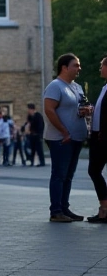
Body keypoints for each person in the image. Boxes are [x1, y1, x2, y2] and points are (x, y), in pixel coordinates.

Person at [45, 53, 92, 222]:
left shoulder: (77, 87)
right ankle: (56, 211)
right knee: (59, 174)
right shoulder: (55, 86)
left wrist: (86, 110)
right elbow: (49, 109)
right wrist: (64, 132)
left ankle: (65, 208)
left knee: (68, 175)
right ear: (64, 67)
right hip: (60, 138)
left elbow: (78, 106)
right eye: (76, 65)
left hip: (76, 138)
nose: (79, 68)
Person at [85, 59, 107, 223]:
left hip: (103, 136)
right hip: (97, 135)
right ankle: (104, 208)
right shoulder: (104, 87)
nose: (100, 69)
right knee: (94, 170)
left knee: (94, 170)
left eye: (102, 66)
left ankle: (104, 210)